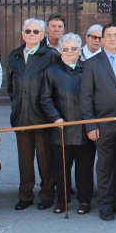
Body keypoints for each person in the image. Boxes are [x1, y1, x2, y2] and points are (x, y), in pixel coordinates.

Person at [80, 24, 116, 221]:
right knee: (105, 165)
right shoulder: (92, 64)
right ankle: (105, 204)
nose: (112, 39)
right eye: (108, 36)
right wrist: (90, 125)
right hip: (103, 124)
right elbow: (86, 98)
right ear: (102, 40)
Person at [8, 18, 60, 211]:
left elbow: (55, 85)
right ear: (22, 34)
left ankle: (47, 193)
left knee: (46, 159)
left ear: (42, 35)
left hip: (43, 115)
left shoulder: (51, 55)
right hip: (21, 115)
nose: (31, 34)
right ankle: (25, 195)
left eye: (35, 32)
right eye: (28, 31)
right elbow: (10, 87)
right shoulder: (14, 56)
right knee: (25, 160)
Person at [40, 33, 95, 215]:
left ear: (80, 50)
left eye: (73, 48)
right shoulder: (51, 71)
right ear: (60, 51)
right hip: (62, 128)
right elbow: (46, 99)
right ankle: (62, 200)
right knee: (61, 168)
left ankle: (85, 200)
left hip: (84, 126)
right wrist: (55, 117)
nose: (70, 52)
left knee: (84, 167)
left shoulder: (88, 68)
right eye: (65, 49)